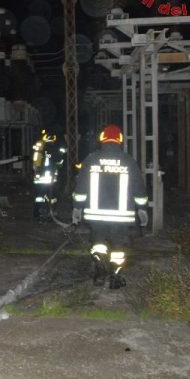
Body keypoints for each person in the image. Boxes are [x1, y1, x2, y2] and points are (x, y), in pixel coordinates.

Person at [71, 124, 149, 289]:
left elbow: (80, 189)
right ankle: (115, 276)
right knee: (119, 248)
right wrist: (142, 209)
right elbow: (139, 189)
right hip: (121, 218)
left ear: (102, 139)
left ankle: (100, 269)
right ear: (120, 140)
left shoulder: (91, 160)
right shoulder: (128, 161)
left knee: (98, 243)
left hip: (96, 216)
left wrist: (77, 208)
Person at [32, 129, 66, 223]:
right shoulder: (55, 148)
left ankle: (38, 214)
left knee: (39, 196)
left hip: (39, 178)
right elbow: (60, 163)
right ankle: (51, 213)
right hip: (51, 178)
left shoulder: (40, 149)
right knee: (52, 197)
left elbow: (35, 163)